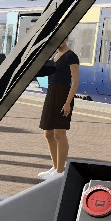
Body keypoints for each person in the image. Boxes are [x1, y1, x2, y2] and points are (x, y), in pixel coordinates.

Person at [38, 37, 80, 179]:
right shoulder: (54, 55)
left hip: (63, 96)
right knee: (48, 133)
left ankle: (60, 171)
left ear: (67, 38)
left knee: (59, 133)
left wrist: (67, 103)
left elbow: (75, 82)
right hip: (51, 95)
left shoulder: (71, 56)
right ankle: (55, 167)